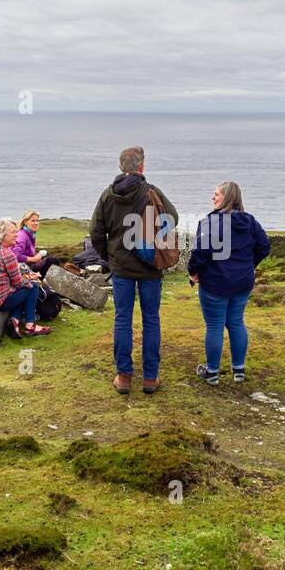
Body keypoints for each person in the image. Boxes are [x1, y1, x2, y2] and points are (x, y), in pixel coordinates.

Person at [89, 145, 178, 395]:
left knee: (122, 319)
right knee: (151, 320)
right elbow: (173, 218)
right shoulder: (152, 192)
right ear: (141, 166)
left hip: (121, 269)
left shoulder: (108, 195)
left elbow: (96, 231)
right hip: (150, 267)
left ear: (120, 167)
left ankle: (124, 376)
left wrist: (110, 257)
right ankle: (150, 378)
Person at [186, 181, 270, 385]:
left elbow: (200, 253)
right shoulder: (250, 221)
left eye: (216, 194)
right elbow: (264, 246)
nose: (212, 198)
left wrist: (193, 272)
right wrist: (248, 265)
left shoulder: (211, 222)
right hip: (242, 282)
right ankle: (238, 370)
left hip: (215, 282)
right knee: (236, 322)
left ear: (228, 197)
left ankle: (212, 372)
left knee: (214, 325)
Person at [0, 218, 51, 339]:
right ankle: (30, 325)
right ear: (3, 235)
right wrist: (30, 280)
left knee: (21, 290)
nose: (16, 235)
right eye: (13, 232)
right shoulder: (8, 255)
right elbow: (19, 283)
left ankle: (14, 319)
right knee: (33, 286)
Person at [10, 209, 62, 277]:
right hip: (22, 269)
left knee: (48, 256)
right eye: (33, 221)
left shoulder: (30, 233)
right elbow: (16, 255)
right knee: (52, 260)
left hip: (27, 265)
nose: (36, 223)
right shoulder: (22, 235)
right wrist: (35, 259)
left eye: (37, 220)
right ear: (25, 222)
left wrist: (37, 256)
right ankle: (41, 283)